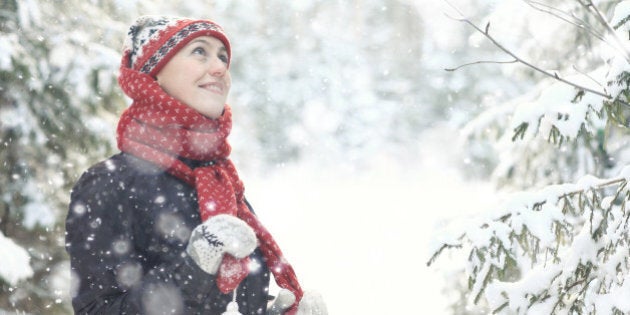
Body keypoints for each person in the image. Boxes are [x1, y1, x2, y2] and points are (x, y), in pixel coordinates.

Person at [65, 15, 327, 315]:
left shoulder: (221, 184)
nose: (219, 68)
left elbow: (225, 305)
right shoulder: (109, 183)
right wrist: (193, 268)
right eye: (200, 51)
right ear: (154, 73)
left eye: (223, 57)